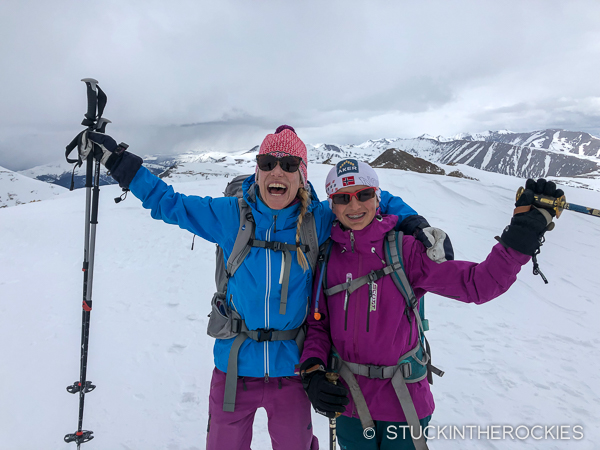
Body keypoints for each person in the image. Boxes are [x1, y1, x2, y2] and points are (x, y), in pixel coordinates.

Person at [74, 126, 453, 450]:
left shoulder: (318, 220)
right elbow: (168, 203)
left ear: (302, 175)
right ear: (256, 171)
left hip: (292, 372)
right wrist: (119, 163)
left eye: (289, 165)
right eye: (267, 163)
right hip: (234, 369)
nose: (278, 171)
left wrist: (413, 221)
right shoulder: (230, 217)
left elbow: (371, 200)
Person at [298, 159, 562, 450]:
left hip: (403, 402)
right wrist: (312, 371)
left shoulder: (406, 250)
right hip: (349, 403)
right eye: (342, 198)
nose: (354, 205)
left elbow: (477, 284)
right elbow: (318, 326)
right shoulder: (327, 257)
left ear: (377, 197)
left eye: (364, 194)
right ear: (332, 205)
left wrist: (522, 236)